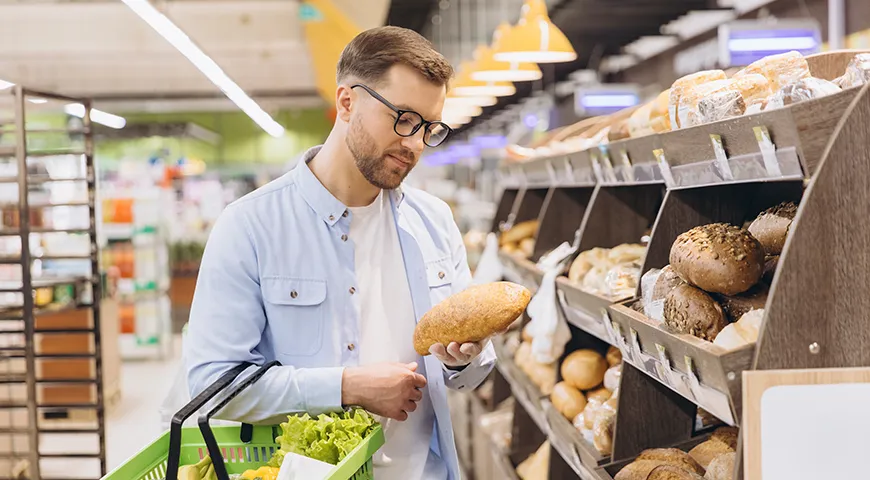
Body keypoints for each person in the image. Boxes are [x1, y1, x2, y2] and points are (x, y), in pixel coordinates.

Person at [185, 26, 496, 480]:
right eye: (404, 119)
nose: (414, 144)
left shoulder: (434, 222)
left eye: (429, 128)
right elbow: (213, 384)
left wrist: (463, 357)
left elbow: (471, 374)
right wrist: (346, 387)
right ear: (347, 103)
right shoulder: (250, 226)